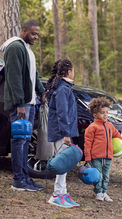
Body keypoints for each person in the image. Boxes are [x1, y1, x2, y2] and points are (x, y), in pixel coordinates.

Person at [0, 19, 45, 191]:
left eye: (37, 34)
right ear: (24, 31)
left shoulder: (26, 49)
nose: (35, 37)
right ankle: (18, 180)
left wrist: (41, 92)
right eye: (33, 33)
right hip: (22, 104)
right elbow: (14, 78)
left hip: (30, 102)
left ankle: (26, 178)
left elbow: (34, 74)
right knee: (19, 141)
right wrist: (19, 103)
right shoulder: (15, 48)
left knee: (25, 142)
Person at [45, 59, 80, 208]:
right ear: (68, 72)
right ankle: (56, 195)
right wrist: (66, 133)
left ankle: (63, 193)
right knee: (62, 164)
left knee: (64, 164)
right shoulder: (62, 89)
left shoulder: (63, 87)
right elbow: (62, 113)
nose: (74, 72)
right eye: (73, 70)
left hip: (63, 131)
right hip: (61, 132)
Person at [84, 97, 122, 202]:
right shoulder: (92, 127)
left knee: (106, 176)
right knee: (99, 176)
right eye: (102, 112)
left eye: (107, 112)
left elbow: (117, 135)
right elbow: (87, 144)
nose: (106, 114)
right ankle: (98, 192)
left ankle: (104, 192)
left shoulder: (110, 126)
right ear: (95, 114)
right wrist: (88, 157)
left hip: (108, 157)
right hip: (96, 157)